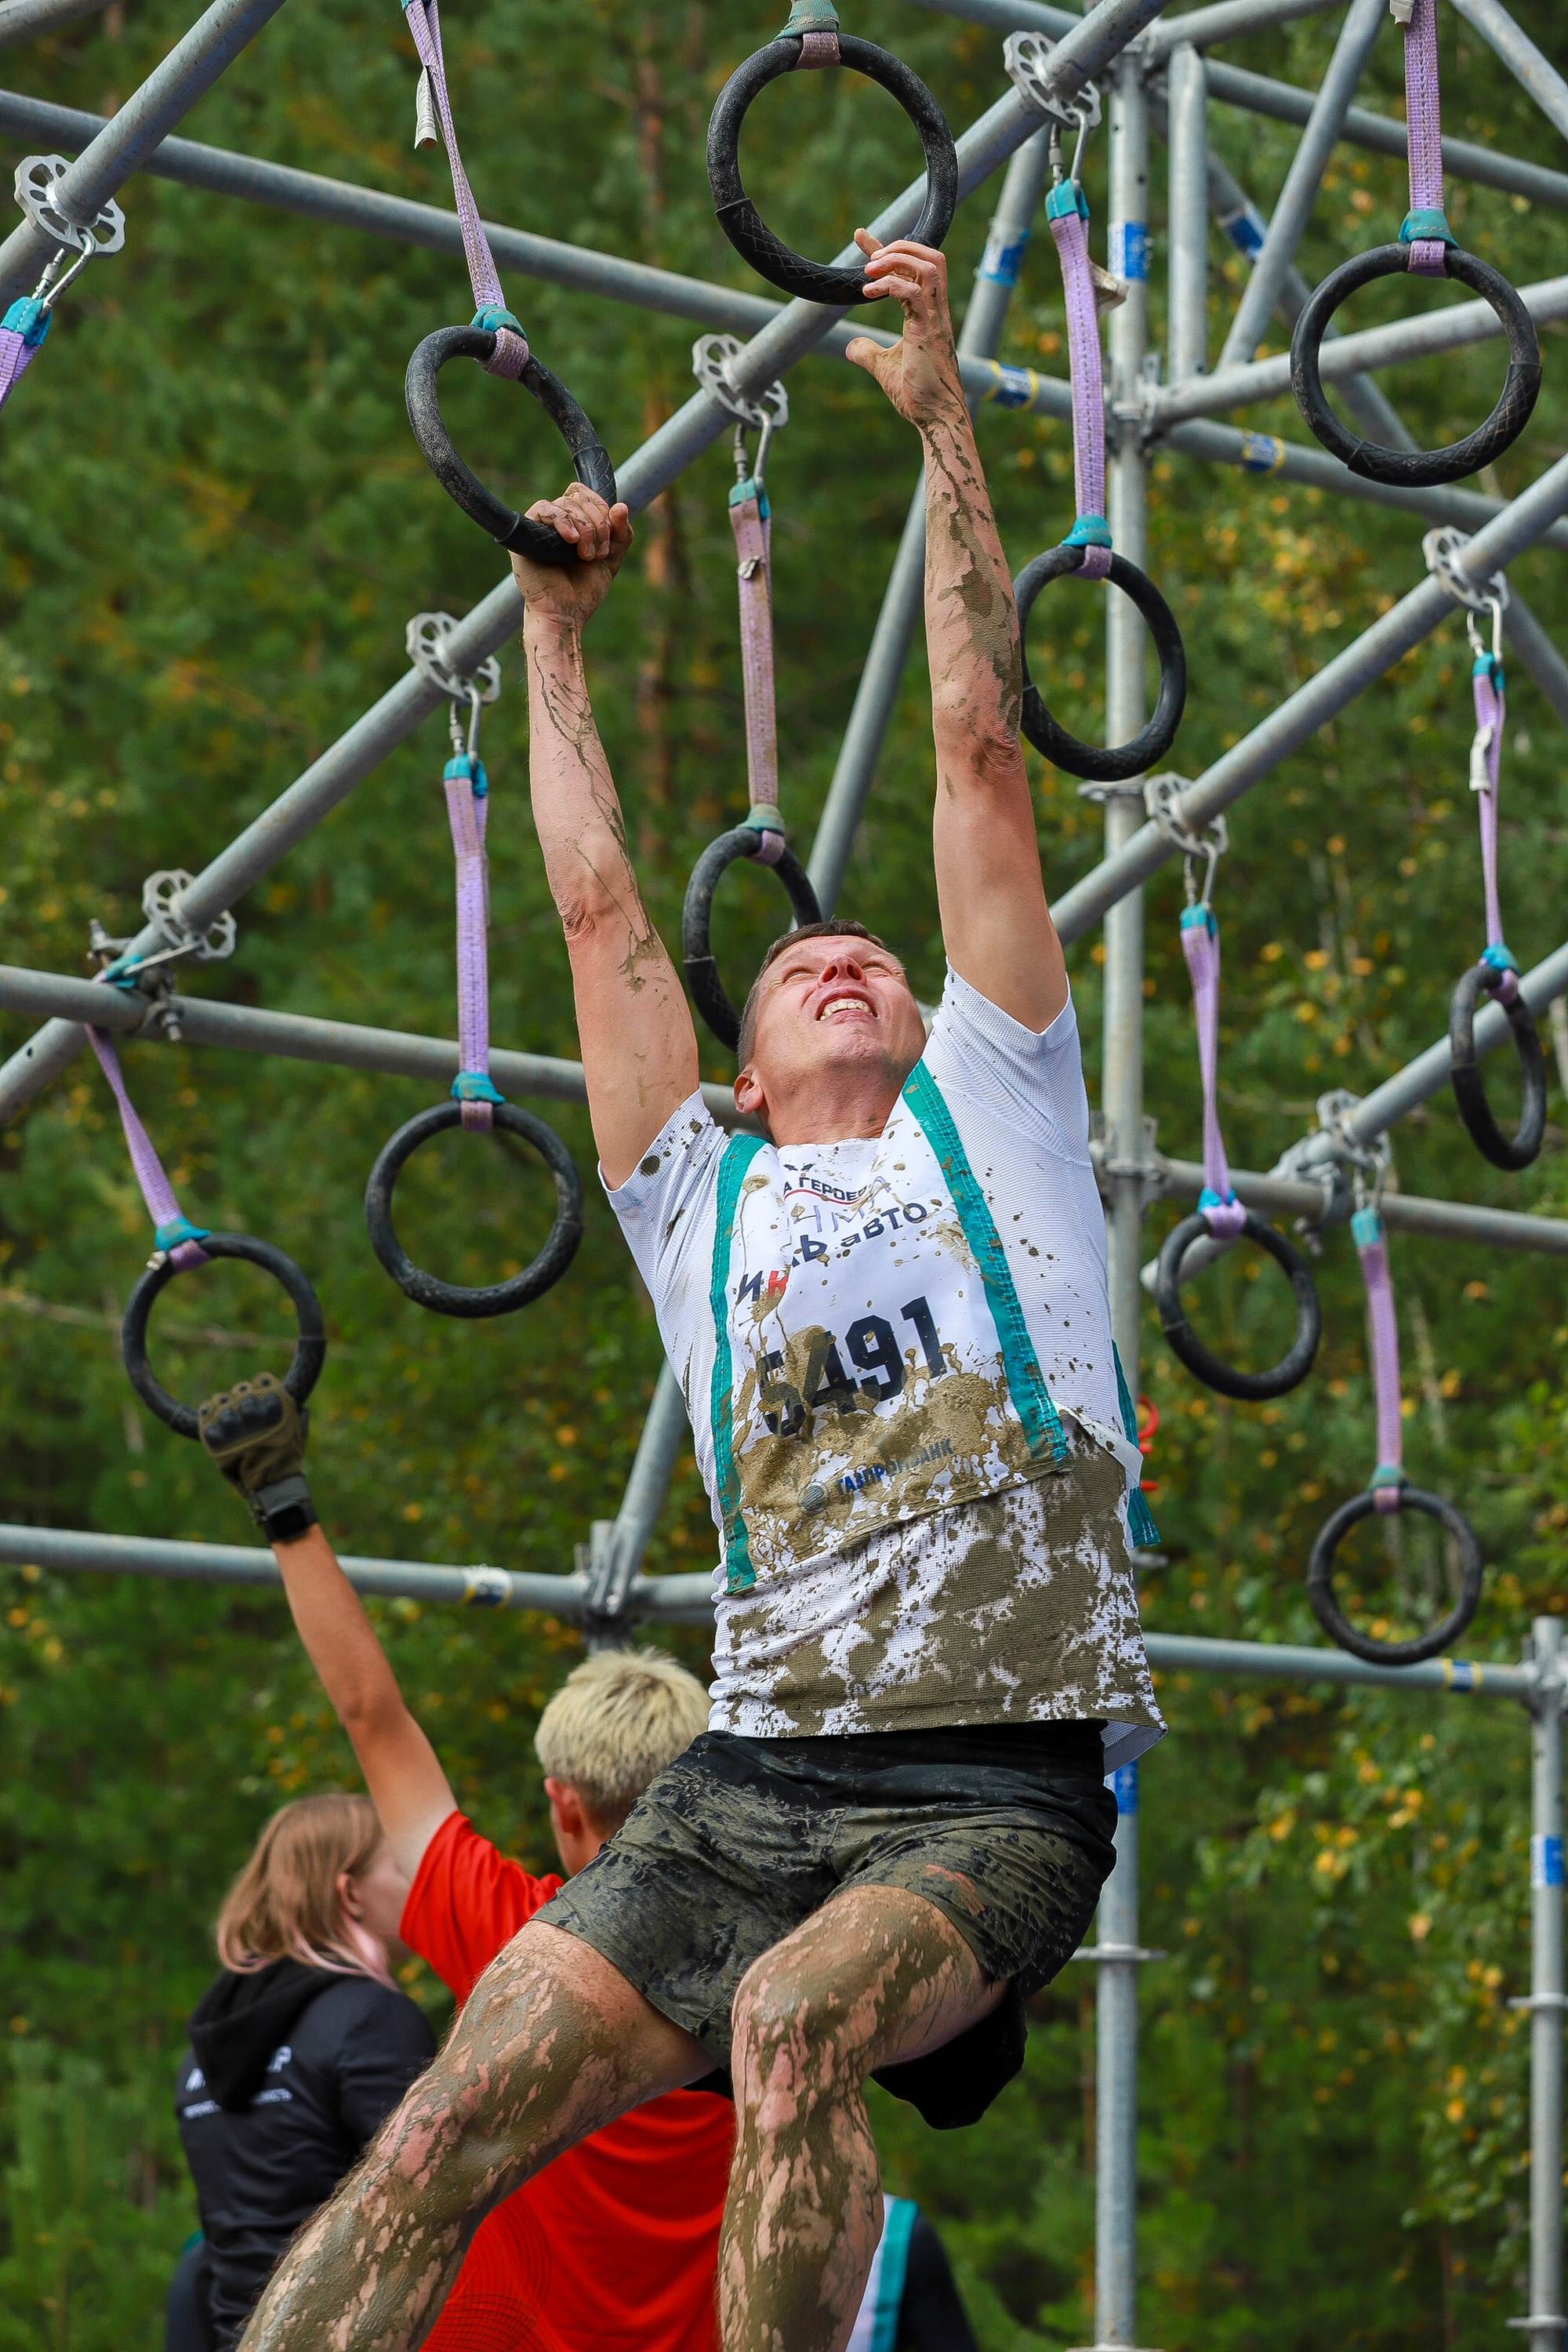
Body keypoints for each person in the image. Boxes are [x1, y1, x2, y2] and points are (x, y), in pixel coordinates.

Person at [227, 230, 1163, 2352]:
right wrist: (549, 630)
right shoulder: (696, 1192)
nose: (847, 956)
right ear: (734, 1073)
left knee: (799, 2019)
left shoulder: (999, 1102)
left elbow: (977, 753)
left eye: (875, 960)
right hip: (746, 1780)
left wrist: (943, 426)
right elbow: (595, 910)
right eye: (802, 964)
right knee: (442, 2116)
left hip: (992, 1781)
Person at [187, 1457, 732, 2352]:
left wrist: (285, 1511)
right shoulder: (765, 1947)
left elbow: (371, 1714)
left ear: (561, 1803)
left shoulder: (514, 1932)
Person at [172, 1792, 437, 2350]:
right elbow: (433, 2201)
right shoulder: (371, 2019)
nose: (417, 1883)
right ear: (350, 1893)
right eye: (398, 1867)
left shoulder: (207, 2048)